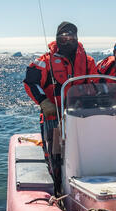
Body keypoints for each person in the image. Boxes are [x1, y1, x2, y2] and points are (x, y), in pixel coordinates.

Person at [23, 21, 97, 191]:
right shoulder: (44, 61)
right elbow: (30, 82)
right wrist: (43, 101)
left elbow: (96, 84)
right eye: (63, 37)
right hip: (54, 115)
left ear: (76, 38)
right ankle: (57, 189)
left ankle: (84, 188)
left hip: (80, 115)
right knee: (55, 155)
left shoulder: (88, 61)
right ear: (57, 38)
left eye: (71, 37)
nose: (67, 41)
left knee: (84, 153)